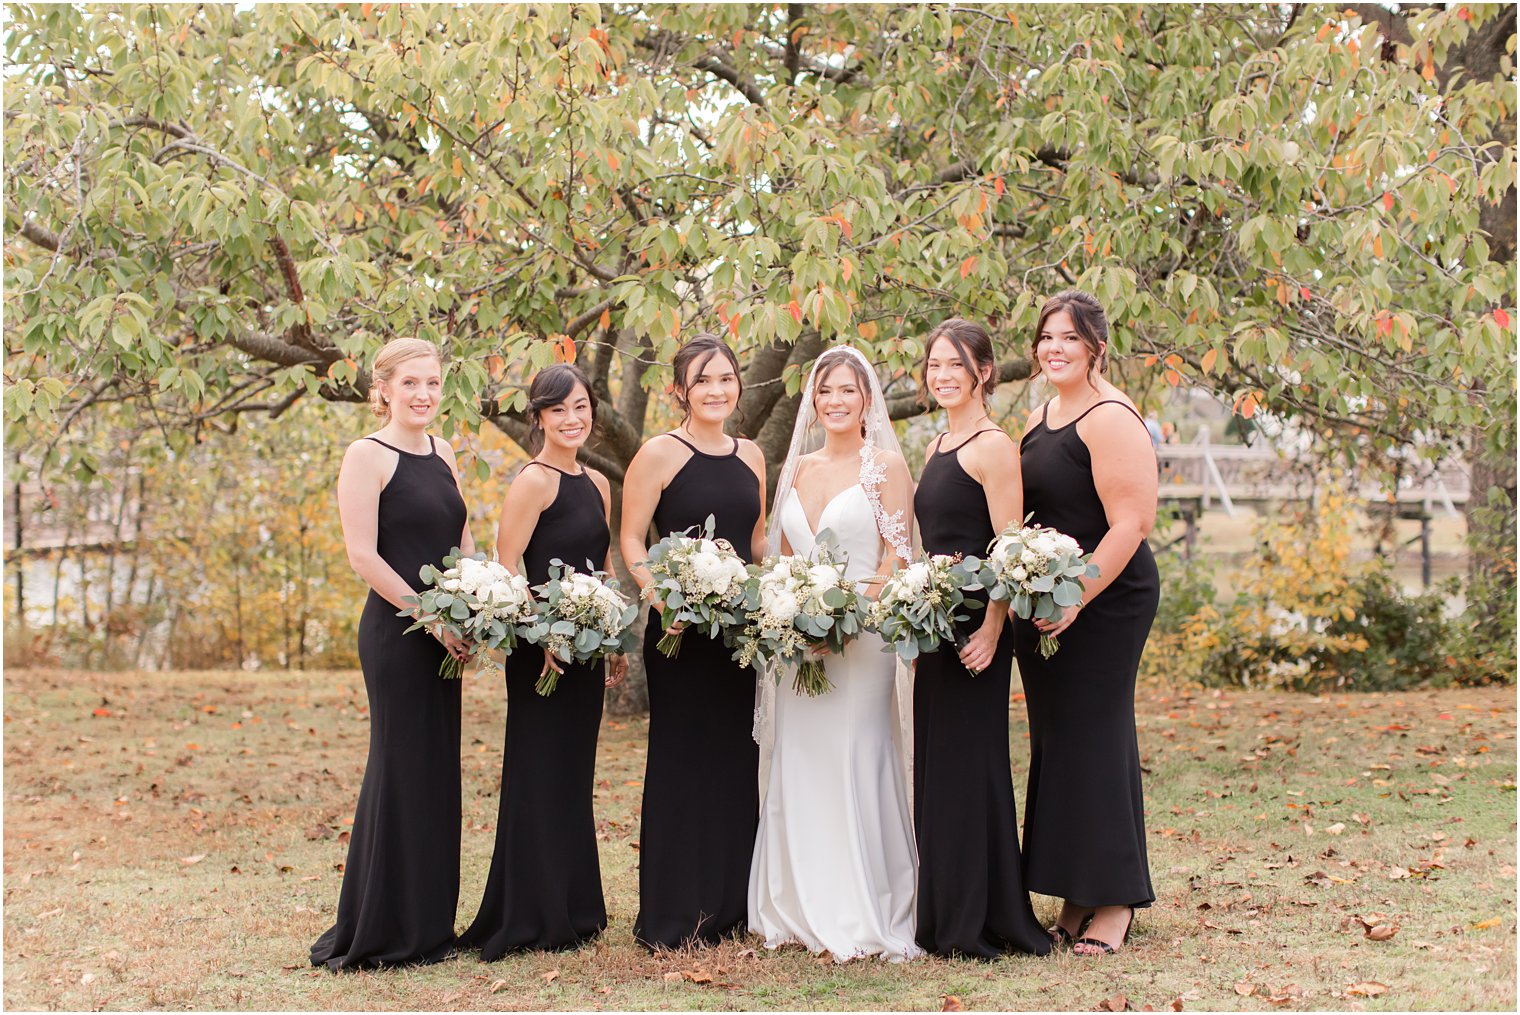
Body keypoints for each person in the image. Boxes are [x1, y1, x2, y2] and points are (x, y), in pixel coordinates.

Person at [748, 347, 920, 962]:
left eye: (848, 390)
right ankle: (796, 903)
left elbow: (896, 560)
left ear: (867, 398)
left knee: (856, 754)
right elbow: (783, 557)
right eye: (826, 392)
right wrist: (790, 612)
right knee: (800, 756)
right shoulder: (795, 466)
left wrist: (850, 618)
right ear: (813, 402)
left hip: (863, 639)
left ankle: (863, 905)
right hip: (799, 643)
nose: (836, 401)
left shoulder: (887, 467)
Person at [312, 337, 473, 970]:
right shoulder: (366, 455)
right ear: (382, 389)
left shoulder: (445, 451)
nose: (424, 394)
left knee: (438, 771)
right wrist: (430, 617)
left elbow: (460, 538)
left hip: (449, 630)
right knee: (401, 768)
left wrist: (475, 604)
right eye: (410, 383)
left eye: (433, 383)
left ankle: (430, 924)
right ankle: (382, 927)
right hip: (398, 633)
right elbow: (363, 556)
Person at [458, 364, 626, 959]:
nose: (573, 419)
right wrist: (546, 636)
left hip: (584, 651)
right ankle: (531, 912)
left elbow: (601, 570)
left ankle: (576, 908)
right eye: (559, 410)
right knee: (538, 772)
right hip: (540, 654)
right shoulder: (533, 481)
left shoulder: (599, 484)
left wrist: (610, 638)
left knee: (573, 776)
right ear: (539, 418)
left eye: (581, 407)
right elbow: (508, 571)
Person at [1016, 290, 1160, 956]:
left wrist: (1078, 595)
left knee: (1097, 736)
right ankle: (1076, 892)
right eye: (1047, 337)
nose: (1054, 348)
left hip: (1107, 598)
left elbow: (1131, 521)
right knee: (1060, 740)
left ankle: (1115, 899)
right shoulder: (1038, 415)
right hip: (1048, 601)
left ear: (1096, 344)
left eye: (1069, 338)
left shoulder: (1110, 416)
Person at [619, 335, 767, 950]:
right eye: (703, 380)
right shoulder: (658, 453)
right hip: (678, 633)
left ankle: (730, 906)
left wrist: (787, 582)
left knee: (737, 761)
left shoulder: (753, 455)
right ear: (679, 390)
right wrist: (663, 599)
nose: (716, 390)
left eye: (726, 378)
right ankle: (674, 911)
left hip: (737, 635)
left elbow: (755, 538)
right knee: (682, 761)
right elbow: (631, 541)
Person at [910, 319, 1051, 959]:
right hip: (934, 627)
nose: (942, 376)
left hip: (975, 631)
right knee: (942, 772)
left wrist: (995, 629)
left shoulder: (993, 446)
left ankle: (976, 922)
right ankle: (947, 917)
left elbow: (1009, 549)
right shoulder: (940, 444)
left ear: (984, 374)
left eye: (955, 366)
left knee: (971, 772)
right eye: (934, 365)